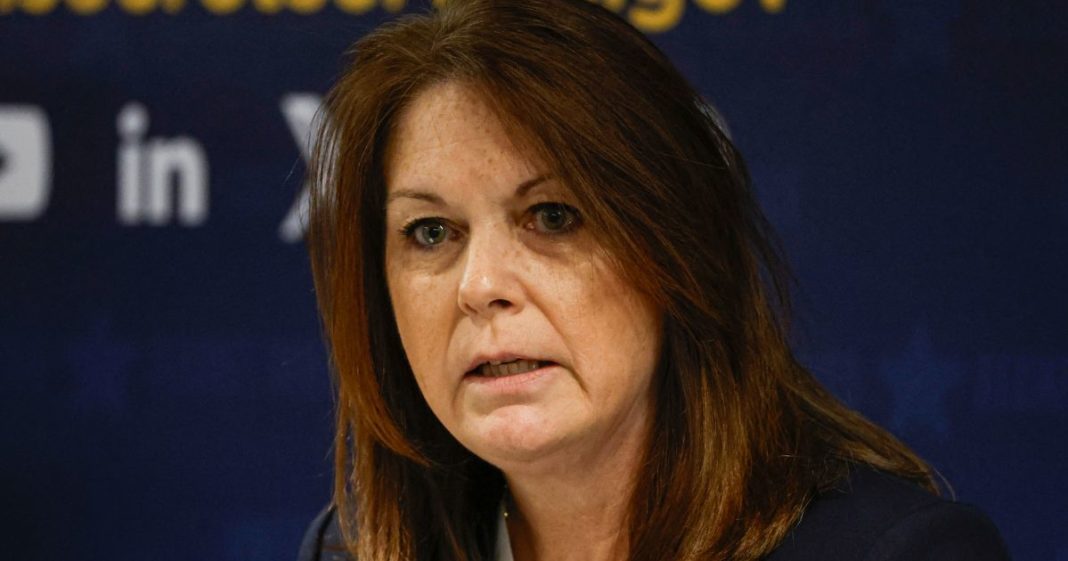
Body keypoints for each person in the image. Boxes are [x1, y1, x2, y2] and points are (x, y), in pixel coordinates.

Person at [298, 1, 1012, 560]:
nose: (480, 284)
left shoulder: (893, 552)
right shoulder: (354, 549)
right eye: (430, 232)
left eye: (553, 215)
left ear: (675, 251)